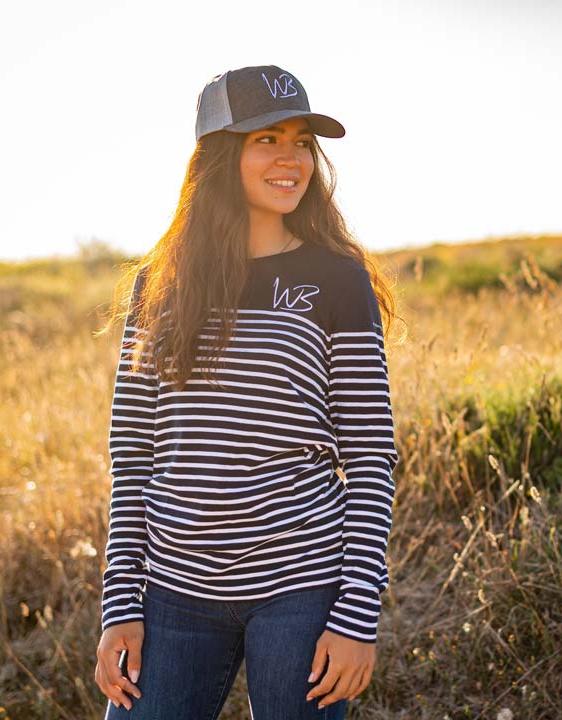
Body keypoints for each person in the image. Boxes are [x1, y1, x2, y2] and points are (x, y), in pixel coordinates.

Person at [92, 64, 401, 719]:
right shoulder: (160, 284)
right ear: (219, 154)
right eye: (267, 139)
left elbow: (372, 455)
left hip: (302, 584)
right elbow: (132, 454)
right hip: (174, 590)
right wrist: (120, 605)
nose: (290, 158)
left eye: (300, 141)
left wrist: (356, 616)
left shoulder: (336, 282)